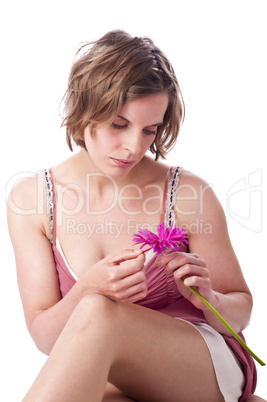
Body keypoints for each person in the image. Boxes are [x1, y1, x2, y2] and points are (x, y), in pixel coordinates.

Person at [7, 30, 260, 402]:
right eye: (119, 125)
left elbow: (241, 310)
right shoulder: (33, 200)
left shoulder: (188, 193)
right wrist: (88, 288)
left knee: (98, 312)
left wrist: (211, 299)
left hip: (200, 363)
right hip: (116, 374)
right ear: (85, 108)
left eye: (149, 131)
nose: (134, 147)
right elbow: (46, 339)